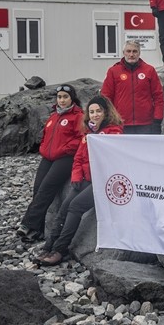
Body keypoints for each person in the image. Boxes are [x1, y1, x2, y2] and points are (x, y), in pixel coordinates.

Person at [37, 95, 124, 266]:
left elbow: (114, 160)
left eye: (98, 111)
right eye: (91, 112)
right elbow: (78, 158)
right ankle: (50, 244)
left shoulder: (114, 133)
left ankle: (60, 249)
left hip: (103, 182)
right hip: (86, 179)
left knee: (76, 206)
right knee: (63, 208)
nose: (95, 115)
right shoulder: (88, 133)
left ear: (106, 113)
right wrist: (76, 176)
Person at [16, 84, 85, 242]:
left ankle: (28, 225)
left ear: (72, 98)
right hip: (48, 157)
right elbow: (46, 135)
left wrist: (66, 149)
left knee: (47, 188)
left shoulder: (78, 115)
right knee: (38, 188)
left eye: (65, 97)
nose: (62, 100)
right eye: (59, 97)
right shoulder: (55, 115)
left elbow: (81, 138)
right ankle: (38, 230)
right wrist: (43, 147)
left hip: (66, 158)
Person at [101, 40, 164, 134]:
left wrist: (157, 120)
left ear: (139, 53)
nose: (131, 54)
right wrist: (107, 118)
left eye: (134, 51)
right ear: (123, 53)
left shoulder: (149, 70)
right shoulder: (113, 71)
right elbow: (106, 97)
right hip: (120, 123)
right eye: (128, 51)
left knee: (145, 149)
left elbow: (158, 97)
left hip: (145, 124)